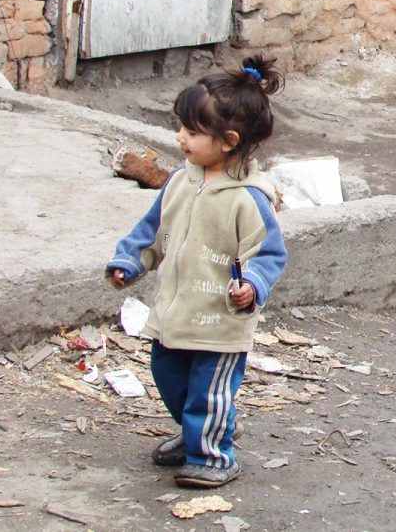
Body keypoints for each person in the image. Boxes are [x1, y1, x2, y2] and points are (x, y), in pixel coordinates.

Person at [106, 54, 288, 488]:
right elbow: (153, 228)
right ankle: (201, 434)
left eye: (191, 131)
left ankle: (214, 454)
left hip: (220, 320)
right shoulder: (180, 182)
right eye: (182, 128)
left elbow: (269, 254)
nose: (180, 137)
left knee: (208, 391)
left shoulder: (249, 199)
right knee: (168, 378)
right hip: (176, 311)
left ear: (227, 140)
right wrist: (131, 260)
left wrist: (253, 286)